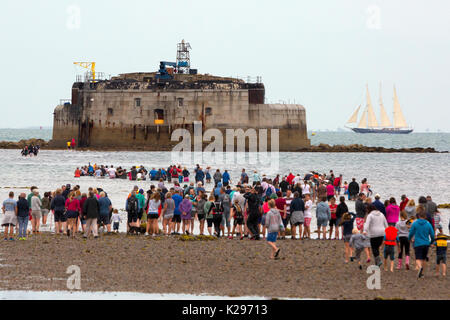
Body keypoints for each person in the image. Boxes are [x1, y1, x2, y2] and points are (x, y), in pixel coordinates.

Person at [408, 210, 435, 279]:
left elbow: (411, 232)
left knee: (418, 258)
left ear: (418, 216)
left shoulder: (415, 223)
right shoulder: (428, 224)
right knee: (424, 258)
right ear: (425, 216)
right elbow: (432, 234)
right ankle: (422, 273)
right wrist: (431, 242)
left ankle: (419, 267)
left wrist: (409, 238)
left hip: (418, 243)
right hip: (426, 243)